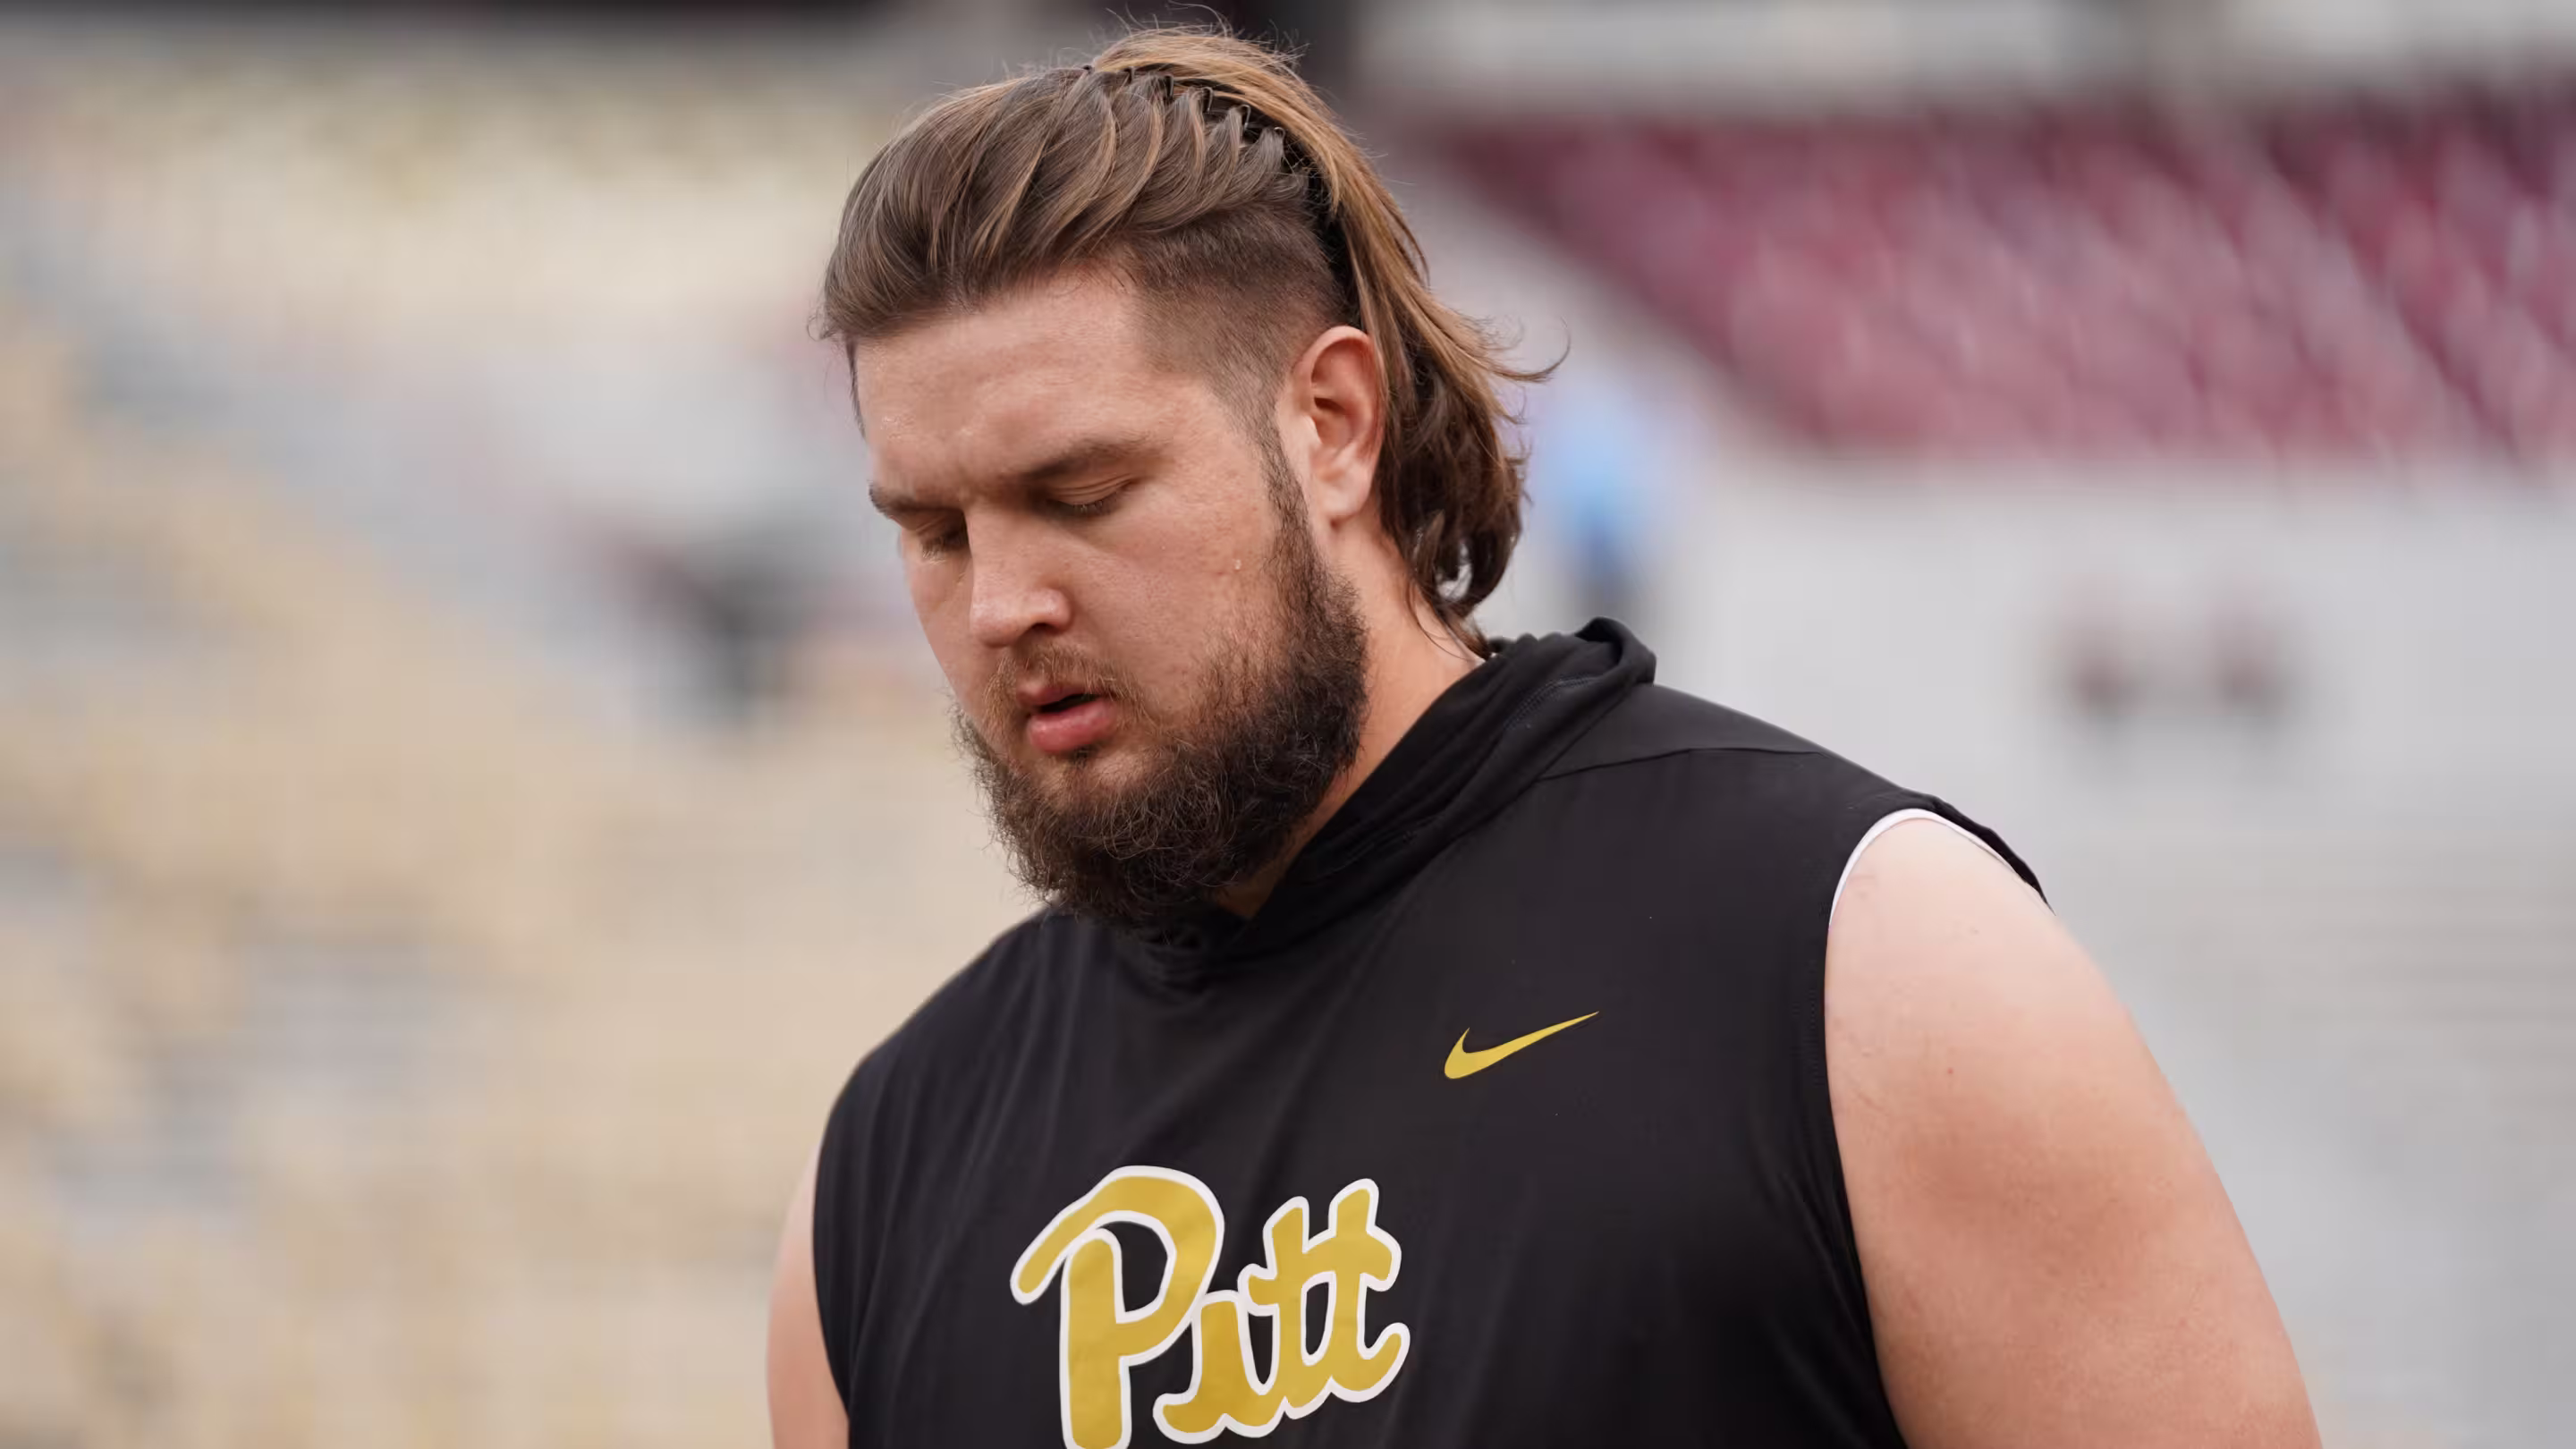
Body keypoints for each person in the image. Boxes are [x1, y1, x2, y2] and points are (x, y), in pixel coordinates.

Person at [768, 29, 2319, 1449]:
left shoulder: (1864, 959)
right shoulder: (886, 1176)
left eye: (1082, 493)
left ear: (1331, 426)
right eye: (935, 533)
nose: (1000, 606)